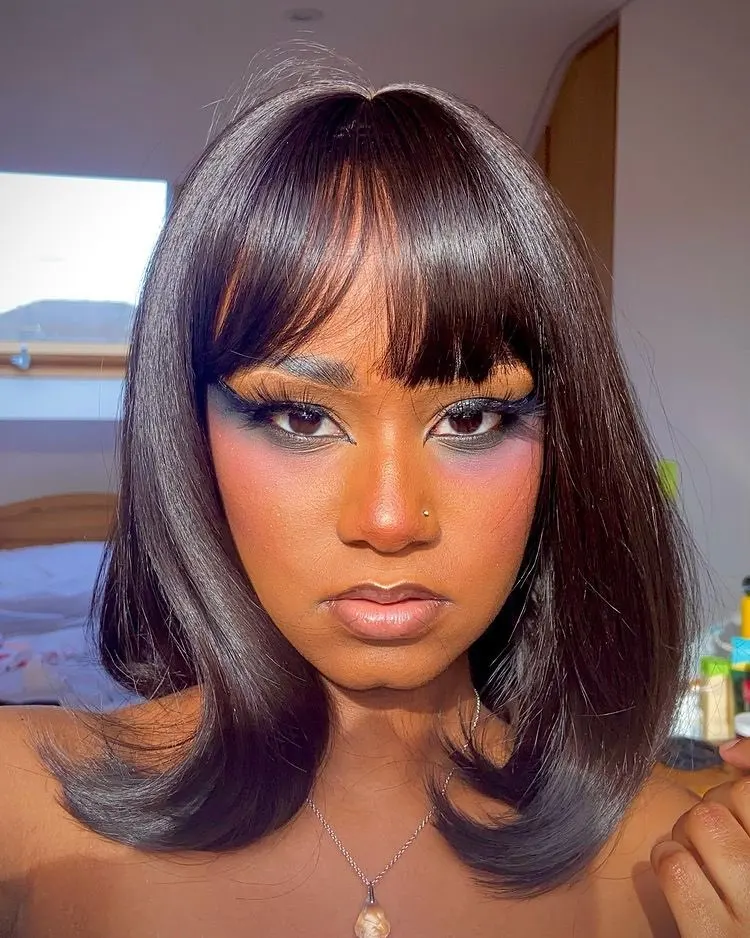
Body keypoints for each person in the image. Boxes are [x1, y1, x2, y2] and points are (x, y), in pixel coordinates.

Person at [0, 77, 748, 938]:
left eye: (470, 419)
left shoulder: (679, 868)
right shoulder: (25, 817)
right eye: (300, 418)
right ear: (192, 436)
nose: (389, 521)